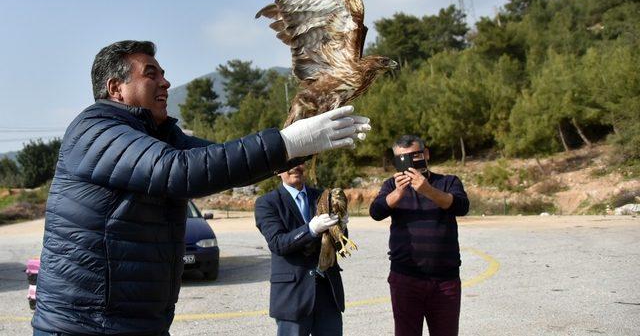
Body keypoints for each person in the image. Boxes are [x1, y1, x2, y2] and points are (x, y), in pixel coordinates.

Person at [31, 40, 370, 336]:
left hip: (138, 322)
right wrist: (284, 144)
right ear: (116, 88)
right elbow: (178, 170)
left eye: (163, 73)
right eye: (151, 74)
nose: (165, 82)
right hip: (84, 325)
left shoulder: (159, 137)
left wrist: (298, 147)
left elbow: (221, 162)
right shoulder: (96, 131)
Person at [369, 135, 469, 336]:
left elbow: (461, 206)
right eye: (402, 158)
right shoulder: (391, 186)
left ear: (426, 154)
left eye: (415, 156)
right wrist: (398, 193)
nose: (410, 162)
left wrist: (427, 190)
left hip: (445, 279)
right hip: (405, 277)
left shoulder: (448, 182)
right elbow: (376, 212)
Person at [255, 163, 346, 336]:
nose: (295, 167)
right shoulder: (267, 203)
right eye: (289, 164)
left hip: (327, 292)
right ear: (277, 170)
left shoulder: (323, 196)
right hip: (292, 296)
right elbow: (277, 243)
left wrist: (342, 228)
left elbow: (338, 244)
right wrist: (310, 229)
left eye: (300, 162)